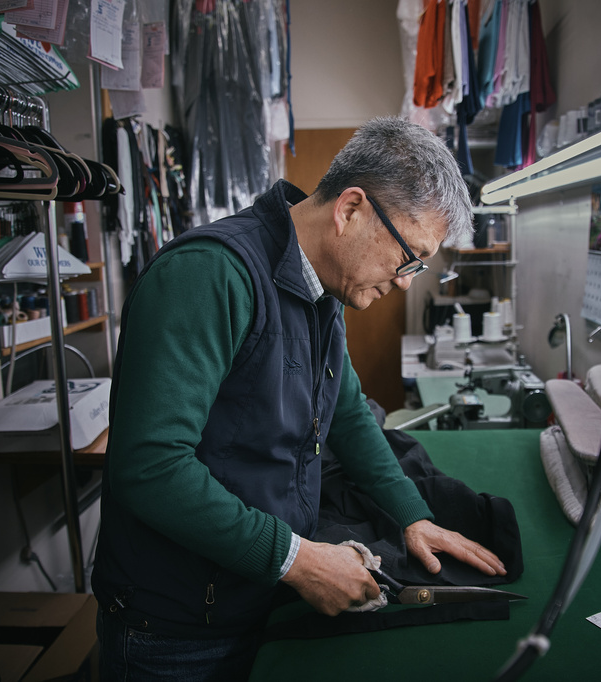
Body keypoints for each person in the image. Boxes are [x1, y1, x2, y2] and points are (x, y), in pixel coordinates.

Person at [91, 116, 508, 680]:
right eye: (409, 256)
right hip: (176, 630)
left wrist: (411, 515)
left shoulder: (322, 289)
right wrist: (295, 559)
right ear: (352, 209)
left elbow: (347, 412)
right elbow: (148, 467)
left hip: (257, 598)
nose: (408, 281)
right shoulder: (207, 276)